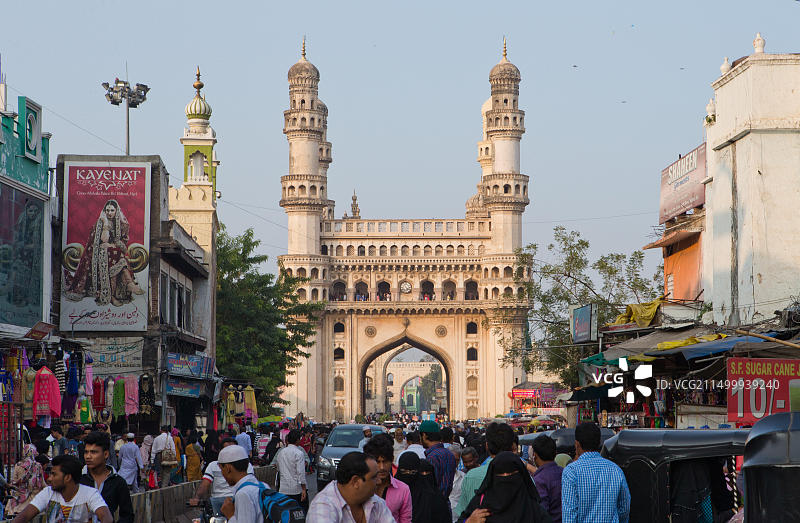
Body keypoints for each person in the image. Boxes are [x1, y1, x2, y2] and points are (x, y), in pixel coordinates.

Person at [63, 199, 145, 307]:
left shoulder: (122, 224)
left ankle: (123, 288)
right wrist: (105, 223)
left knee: (119, 257)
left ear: (116, 211)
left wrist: (111, 246)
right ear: (104, 211)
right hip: (98, 254)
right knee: (115, 258)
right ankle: (118, 291)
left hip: (114, 252)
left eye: (112, 210)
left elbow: (123, 246)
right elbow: (103, 240)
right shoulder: (100, 223)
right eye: (107, 210)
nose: (109, 213)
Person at [561, 422, 630, 523]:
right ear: (599, 443)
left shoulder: (571, 472)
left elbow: (569, 515)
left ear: (577, 444)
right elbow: (624, 507)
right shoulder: (615, 469)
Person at [12, 455, 112, 523]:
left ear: (67, 477)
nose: (49, 479)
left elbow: (106, 517)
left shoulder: (90, 494)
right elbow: (25, 516)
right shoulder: (48, 492)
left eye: (54, 474)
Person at [457, 451, 551, 523]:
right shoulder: (480, 504)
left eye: (511, 474)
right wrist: (469, 521)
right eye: (500, 475)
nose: (506, 478)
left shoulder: (534, 510)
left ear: (521, 476)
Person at [307, 451, 394, 522]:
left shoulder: (375, 502)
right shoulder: (323, 506)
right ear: (356, 481)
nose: (379, 481)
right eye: (374, 477)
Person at [454, 422, 515, 518]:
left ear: (487, 445)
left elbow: (461, 512)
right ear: (512, 446)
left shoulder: (471, 476)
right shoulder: (525, 477)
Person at [190, 437, 256, 517]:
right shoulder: (213, 465)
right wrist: (196, 498)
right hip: (218, 503)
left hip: (236, 502)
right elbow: (204, 485)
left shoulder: (246, 465)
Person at [80, 431, 134, 523]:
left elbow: (127, 515)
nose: (88, 456)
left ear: (105, 454)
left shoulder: (118, 482)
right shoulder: (79, 479)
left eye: (93, 452)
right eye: (86, 452)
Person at [363, 434, 412, 523]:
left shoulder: (403, 489)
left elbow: (406, 520)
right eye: (377, 462)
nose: (382, 467)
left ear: (392, 460)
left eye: (385, 461)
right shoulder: (360, 488)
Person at [395, 453, 451, 523]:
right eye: (404, 471)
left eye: (413, 472)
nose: (408, 475)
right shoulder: (392, 491)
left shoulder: (430, 495)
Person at [217, 445, 263, 523]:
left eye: (221, 469)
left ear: (228, 468)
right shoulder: (263, 485)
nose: (222, 473)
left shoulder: (243, 494)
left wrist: (230, 515)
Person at [5, 444, 46, 516]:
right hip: (32, 500)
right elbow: (42, 483)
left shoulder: (18, 465)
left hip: (18, 500)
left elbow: (14, 481)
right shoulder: (38, 466)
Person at [419, 420, 457, 497]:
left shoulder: (432, 457)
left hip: (435, 502)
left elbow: (431, 486)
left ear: (424, 435)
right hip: (445, 501)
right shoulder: (449, 454)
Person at [531, 435, 562, 523]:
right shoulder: (564, 472)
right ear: (555, 453)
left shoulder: (539, 480)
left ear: (535, 455)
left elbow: (542, 513)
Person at [275, 429, 308, 510]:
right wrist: (304, 489)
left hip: (283, 489)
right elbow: (300, 473)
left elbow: (278, 468)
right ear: (297, 440)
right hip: (296, 490)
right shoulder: (299, 453)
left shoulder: (281, 453)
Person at [450, 447, 480, 522]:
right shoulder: (463, 474)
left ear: (476, 458)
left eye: (470, 461)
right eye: (465, 462)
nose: (468, 464)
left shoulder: (464, 476)